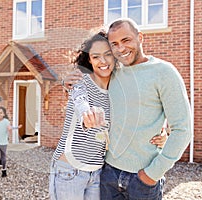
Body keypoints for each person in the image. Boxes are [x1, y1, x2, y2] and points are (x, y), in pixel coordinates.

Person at [63, 18, 192, 199]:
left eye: (126, 40)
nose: (121, 49)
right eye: (114, 44)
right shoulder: (113, 71)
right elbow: (86, 86)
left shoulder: (164, 72)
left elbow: (183, 130)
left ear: (140, 37)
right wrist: (67, 83)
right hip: (108, 174)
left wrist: (151, 174)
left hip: (143, 179)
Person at [50, 29, 168, 200]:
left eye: (107, 54)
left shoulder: (119, 89)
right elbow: (80, 99)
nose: (102, 61)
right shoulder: (80, 81)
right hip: (70, 170)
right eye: (96, 56)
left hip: (98, 171)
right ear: (89, 60)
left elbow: (144, 109)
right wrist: (87, 115)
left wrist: (161, 131)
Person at [0, 106, 22, 179]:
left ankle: (4, 170)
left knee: (3, 158)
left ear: (4, 114)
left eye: (1, 113)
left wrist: (16, 127)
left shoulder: (6, 121)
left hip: (3, 142)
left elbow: (9, 127)